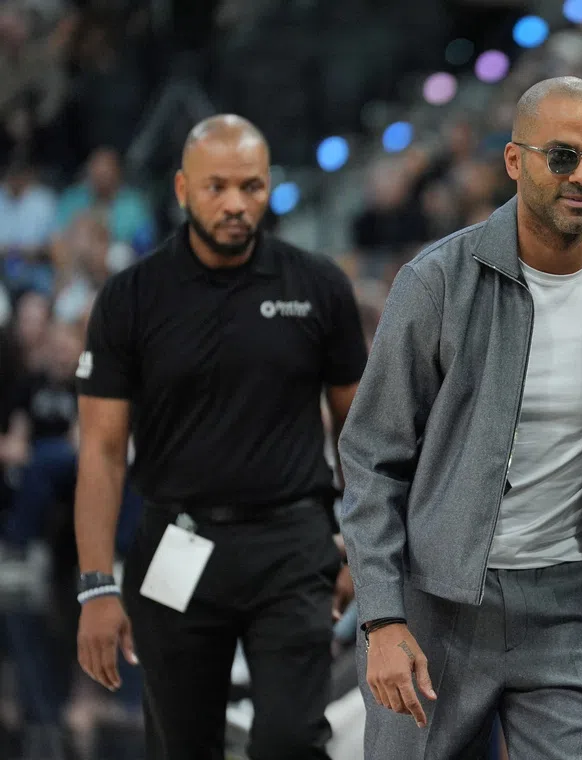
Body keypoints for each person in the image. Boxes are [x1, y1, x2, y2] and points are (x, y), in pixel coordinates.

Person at [337, 77, 582, 758]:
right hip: (439, 609)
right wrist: (380, 617)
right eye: (562, 157)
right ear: (514, 162)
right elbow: (373, 458)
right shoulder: (436, 281)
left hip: (576, 614)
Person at [72, 114, 367, 760]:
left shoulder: (317, 286)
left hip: (293, 545)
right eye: (217, 188)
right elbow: (99, 450)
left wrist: (360, 550)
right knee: (183, 747)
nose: (236, 204)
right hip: (177, 543)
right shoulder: (131, 297)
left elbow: (359, 434)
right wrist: (97, 585)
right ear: (182, 189)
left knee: (291, 742)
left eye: (252, 187)